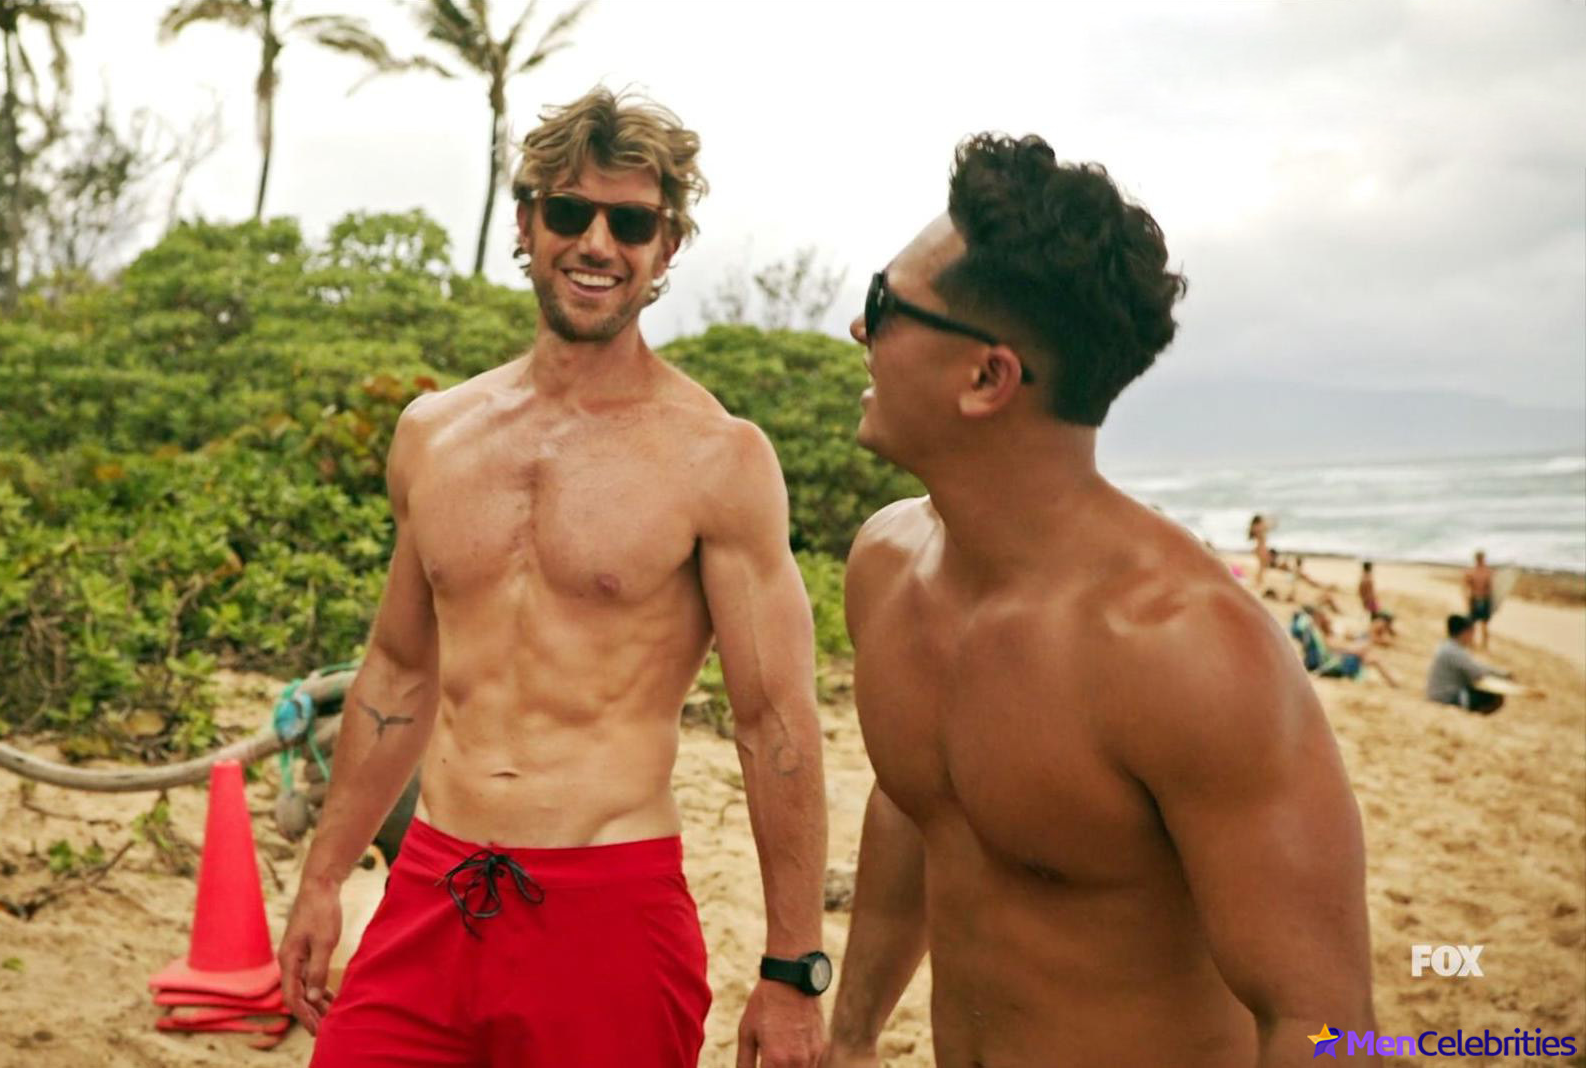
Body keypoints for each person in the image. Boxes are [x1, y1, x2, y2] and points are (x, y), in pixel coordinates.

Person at [276, 87, 829, 1068]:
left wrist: (792, 970)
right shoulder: (435, 435)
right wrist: (324, 875)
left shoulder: (718, 459)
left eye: (632, 222)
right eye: (570, 211)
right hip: (431, 890)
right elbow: (399, 670)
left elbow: (774, 722)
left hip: (608, 910)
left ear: (667, 246)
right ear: (527, 223)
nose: (597, 243)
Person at [823, 134, 1379, 1067]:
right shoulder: (886, 566)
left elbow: (1325, 1018)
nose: (857, 328)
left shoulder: (1184, 649)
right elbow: (919, 810)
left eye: (884, 304)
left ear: (986, 377)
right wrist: (850, 1038)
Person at [1427, 614, 1511, 714]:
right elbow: (1477, 672)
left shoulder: (1447, 646)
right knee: (1493, 697)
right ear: (1465, 633)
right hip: (1446, 697)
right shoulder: (1454, 651)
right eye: (1472, 633)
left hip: (1436, 693)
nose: (1473, 637)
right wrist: (1500, 674)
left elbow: (1475, 667)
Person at [1464, 550, 1495, 649]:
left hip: (1475, 599)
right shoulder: (1488, 572)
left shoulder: (1471, 571)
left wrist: (1467, 600)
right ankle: (1484, 645)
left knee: (1474, 623)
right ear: (1483, 559)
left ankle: (1473, 643)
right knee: (1484, 623)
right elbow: (1491, 589)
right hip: (1484, 599)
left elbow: (1466, 587)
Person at [1247, 514, 1271, 589]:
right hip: (1261, 548)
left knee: (1262, 566)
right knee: (1262, 566)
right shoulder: (1258, 527)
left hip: (1261, 548)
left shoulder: (1256, 527)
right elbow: (1267, 527)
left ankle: (1259, 580)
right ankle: (1258, 581)